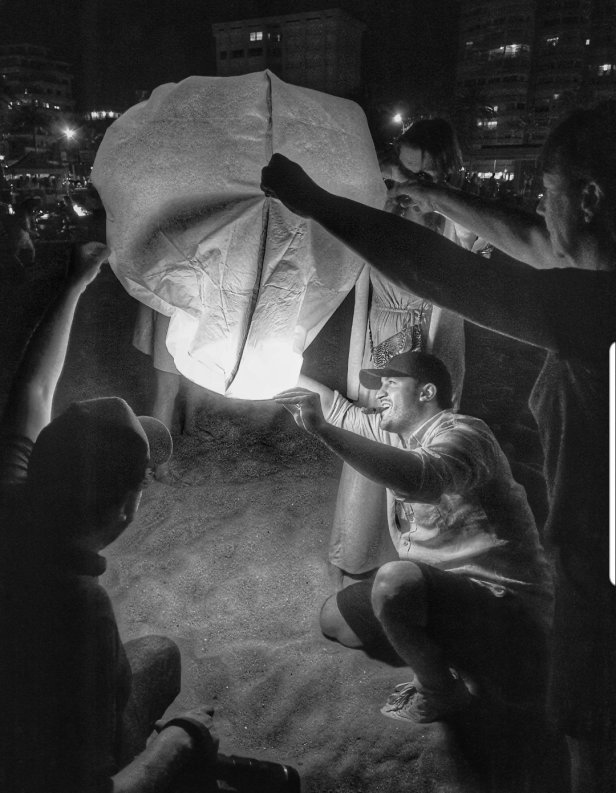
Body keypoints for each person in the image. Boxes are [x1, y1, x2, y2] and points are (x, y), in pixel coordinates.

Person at [260, 102, 616, 792]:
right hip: (585, 556)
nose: (540, 214)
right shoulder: (594, 286)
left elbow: (448, 275)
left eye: (549, 193)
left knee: (589, 733)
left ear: (590, 198)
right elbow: (535, 239)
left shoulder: (596, 306)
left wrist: (315, 201)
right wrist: (430, 192)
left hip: (596, 570)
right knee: (346, 613)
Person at [0, 242, 219, 793]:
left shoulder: (14, 493)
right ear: (126, 507)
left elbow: (33, 386)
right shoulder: (79, 609)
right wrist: (182, 740)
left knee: (156, 656)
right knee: (160, 676)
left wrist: (75, 281)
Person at [275, 350, 553, 727]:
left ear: (426, 392)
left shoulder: (466, 434)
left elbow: (424, 477)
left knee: (394, 582)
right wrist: (271, 364)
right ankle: (445, 652)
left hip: (505, 606)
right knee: (335, 621)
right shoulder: (398, 436)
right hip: (444, 595)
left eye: (391, 384)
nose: (380, 393)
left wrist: (322, 431)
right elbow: (334, 409)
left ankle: (443, 690)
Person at [330, 119, 492, 586]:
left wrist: (440, 200)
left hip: (429, 350)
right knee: (371, 436)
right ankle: (360, 554)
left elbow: (477, 256)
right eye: (404, 170)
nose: (410, 185)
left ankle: (421, 558)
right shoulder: (381, 207)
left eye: (425, 175)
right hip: (379, 343)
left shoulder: (457, 222)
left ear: (447, 173)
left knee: (424, 446)